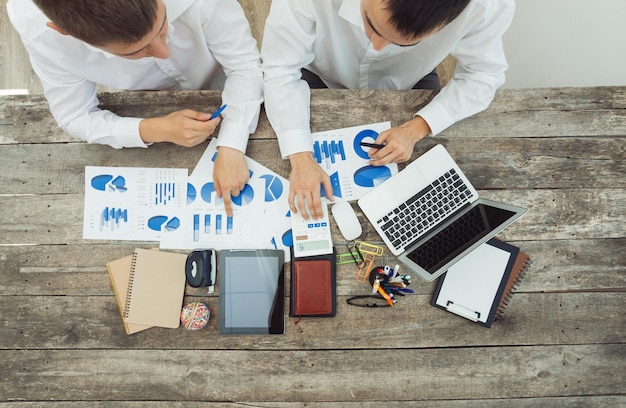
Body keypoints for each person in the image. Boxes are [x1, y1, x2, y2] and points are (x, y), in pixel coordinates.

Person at [261, 0, 515, 219]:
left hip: (410, 80)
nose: (378, 46)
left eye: (401, 43)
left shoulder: (486, 7)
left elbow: (484, 75)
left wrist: (418, 127)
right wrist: (300, 157)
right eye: (370, 23)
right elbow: (280, 69)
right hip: (321, 70)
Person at [7, 0, 264, 216]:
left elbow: (245, 66)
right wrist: (154, 129)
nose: (163, 51)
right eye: (136, 52)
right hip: (149, 100)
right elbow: (74, 115)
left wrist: (231, 143)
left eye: (163, 26)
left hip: (220, 70)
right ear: (64, 31)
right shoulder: (36, 28)